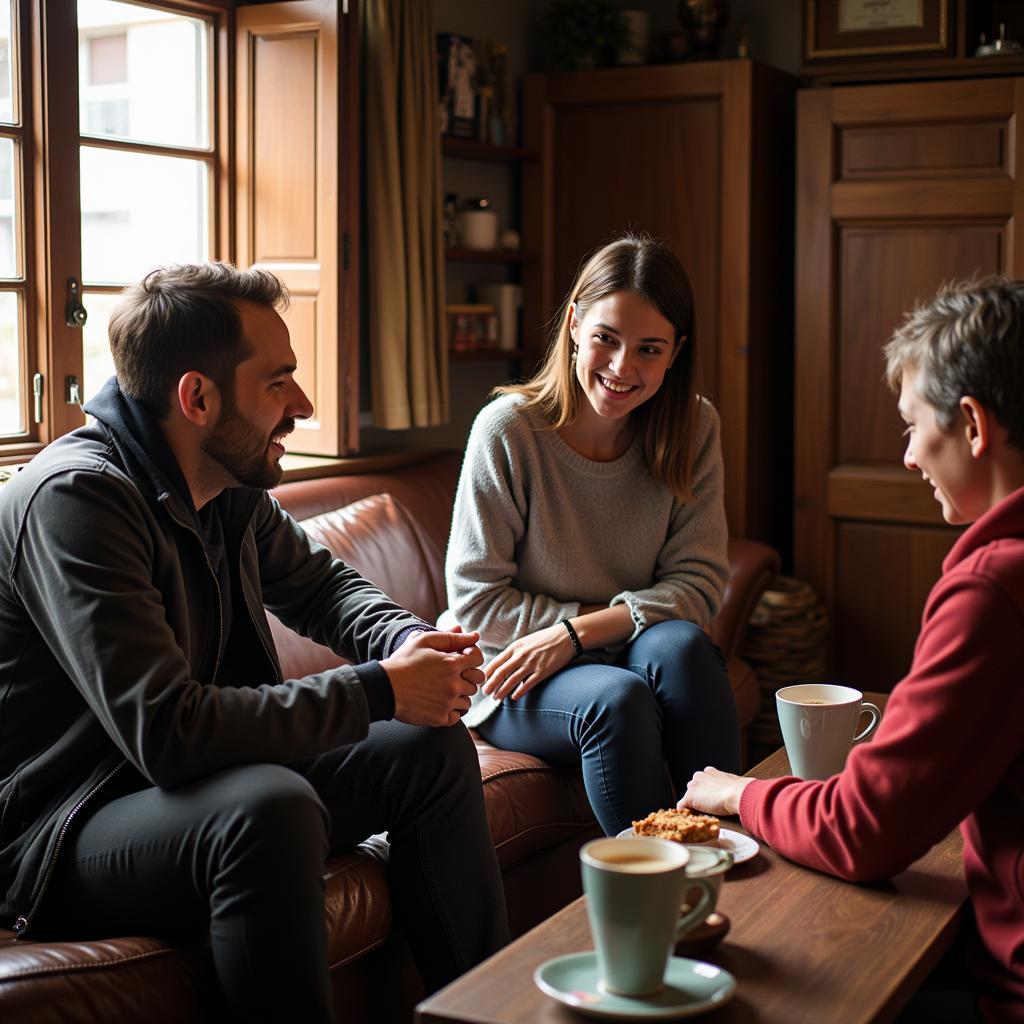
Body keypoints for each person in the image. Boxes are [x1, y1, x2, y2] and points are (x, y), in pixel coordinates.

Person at [0, 263, 510, 1023]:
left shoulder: (223, 483)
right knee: (269, 807)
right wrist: (380, 688)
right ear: (197, 398)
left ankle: (479, 1015)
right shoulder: (78, 501)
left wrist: (413, 641)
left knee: (428, 751)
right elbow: (168, 734)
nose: (301, 405)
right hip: (67, 824)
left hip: (180, 784)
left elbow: (323, 587)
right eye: (279, 383)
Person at [682, 277, 1024, 1023]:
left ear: (971, 424)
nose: (907, 457)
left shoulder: (997, 588)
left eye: (911, 425)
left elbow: (861, 829)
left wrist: (738, 791)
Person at [444, 233, 741, 838]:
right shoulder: (508, 432)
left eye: (649, 349)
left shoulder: (693, 427)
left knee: (683, 650)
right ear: (575, 323)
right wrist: (575, 638)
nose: (622, 368)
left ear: (676, 352)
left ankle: (734, 848)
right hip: (515, 672)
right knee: (619, 699)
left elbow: (702, 584)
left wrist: (578, 633)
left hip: (623, 647)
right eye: (606, 338)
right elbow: (477, 602)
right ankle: (661, 892)